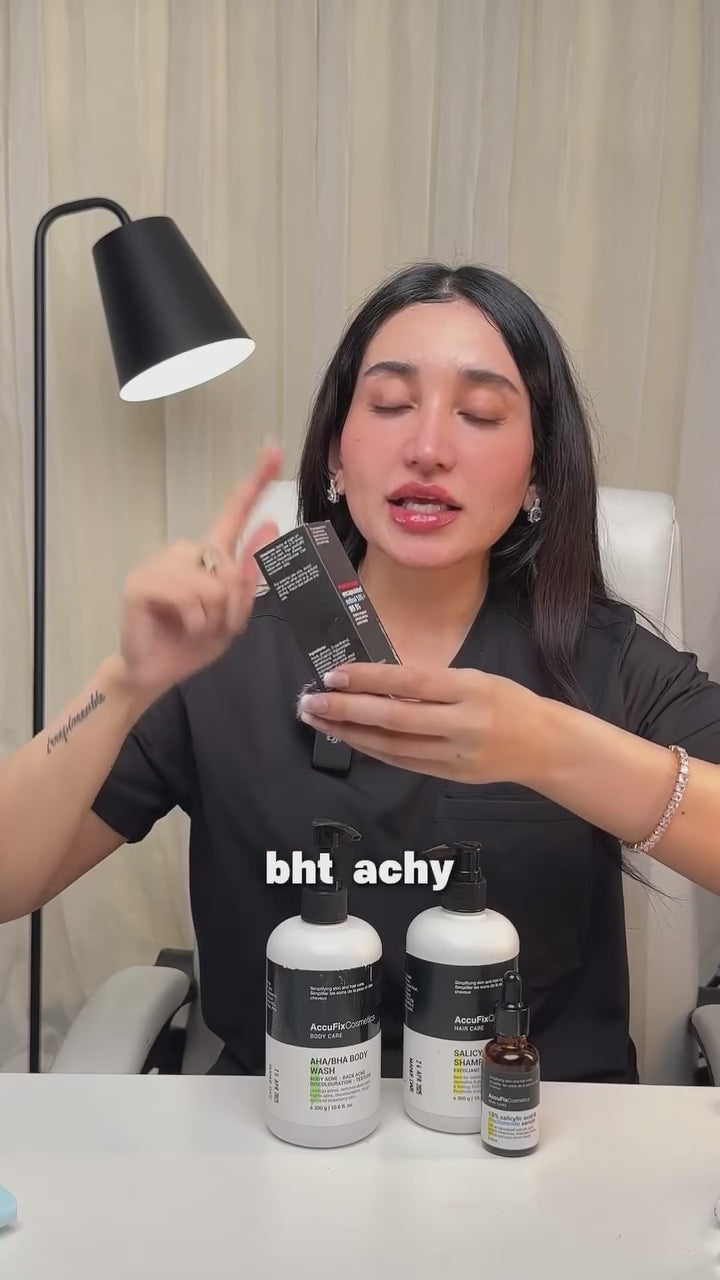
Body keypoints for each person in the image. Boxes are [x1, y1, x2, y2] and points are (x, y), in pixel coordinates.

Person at [2, 261, 720, 1085]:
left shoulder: (601, 655)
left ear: (537, 474)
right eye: (389, 405)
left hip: (537, 1124)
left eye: (481, 414)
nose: (428, 448)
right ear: (336, 457)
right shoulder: (226, 653)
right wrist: (125, 681)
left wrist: (550, 748)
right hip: (277, 1120)